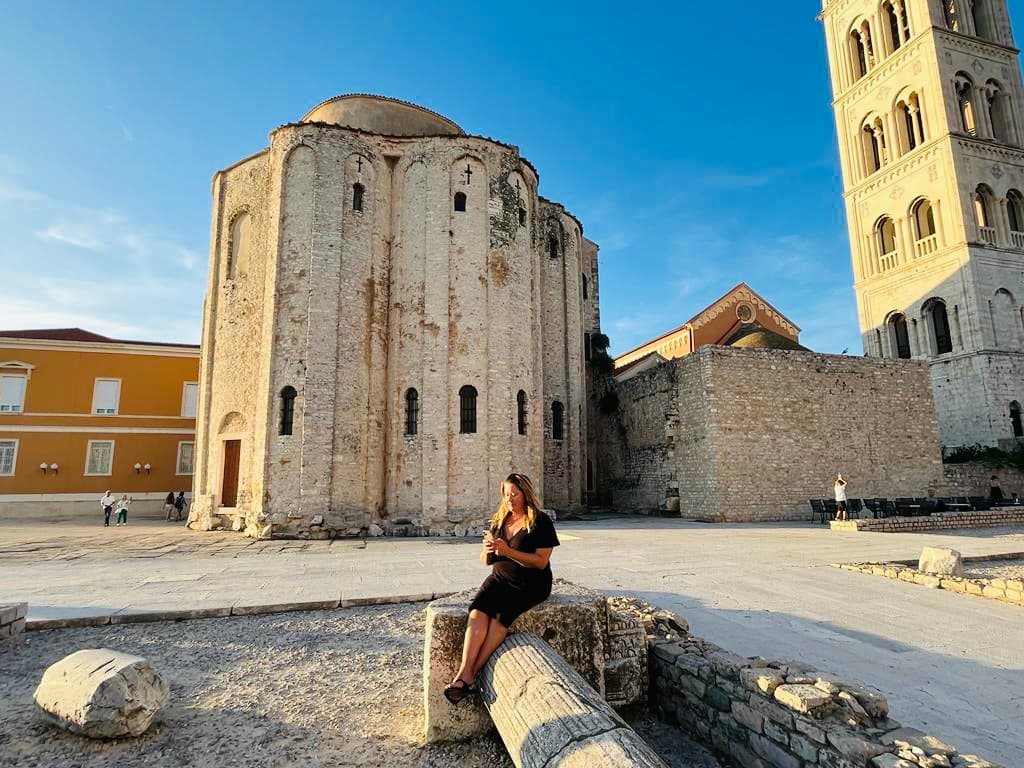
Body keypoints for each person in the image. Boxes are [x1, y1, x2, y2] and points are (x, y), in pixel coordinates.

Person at [444, 473, 560, 704]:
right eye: (506, 495)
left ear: (526, 494)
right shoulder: (500, 520)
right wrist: (488, 550)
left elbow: (540, 561)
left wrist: (508, 552)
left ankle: (468, 676)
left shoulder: (540, 521)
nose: (510, 500)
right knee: (477, 613)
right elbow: (485, 561)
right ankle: (464, 673)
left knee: (499, 619)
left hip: (530, 584)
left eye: (514, 495)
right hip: (499, 579)